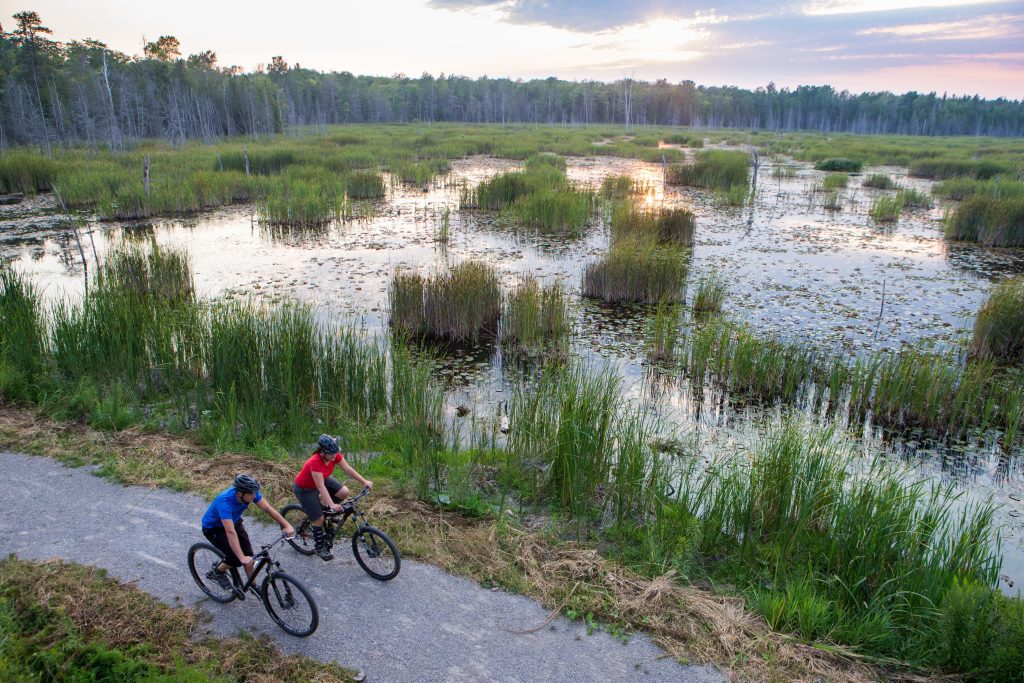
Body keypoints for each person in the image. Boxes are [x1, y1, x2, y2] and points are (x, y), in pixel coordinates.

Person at [200, 473, 294, 593]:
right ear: (240, 493)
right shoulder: (224, 502)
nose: (254, 496)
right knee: (235, 559)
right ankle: (218, 572)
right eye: (251, 494)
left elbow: (267, 508)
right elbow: (230, 532)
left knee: (249, 556)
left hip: (234, 521)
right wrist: (241, 557)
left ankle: (253, 586)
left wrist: (286, 524)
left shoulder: (250, 492)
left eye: (255, 493)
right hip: (214, 528)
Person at [293, 434, 373, 561]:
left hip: (322, 479)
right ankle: (319, 548)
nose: (335, 456)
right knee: (318, 519)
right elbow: (320, 487)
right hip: (305, 489)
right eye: (331, 454)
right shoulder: (314, 462)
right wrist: (332, 504)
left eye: (336, 453)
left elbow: (348, 469)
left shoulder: (334, 454)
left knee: (344, 492)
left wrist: (364, 481)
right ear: (322, 452)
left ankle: (325, 513)